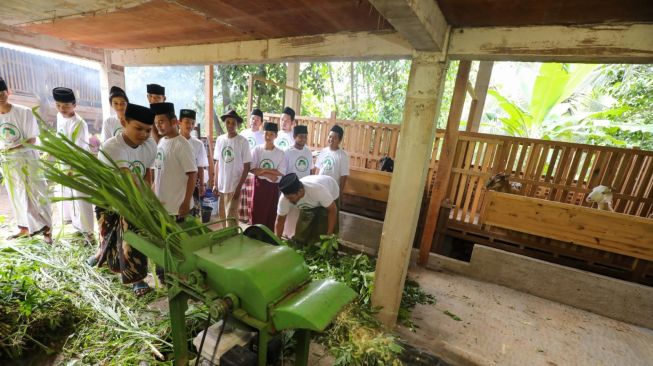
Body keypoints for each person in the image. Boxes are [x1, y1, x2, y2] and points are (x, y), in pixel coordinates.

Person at [94, 103, 157, 296]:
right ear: (123, 122)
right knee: (108, 235)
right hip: (109, 197)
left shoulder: (149, 145)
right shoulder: (112, 146)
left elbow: (146, 173)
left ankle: (136, 278)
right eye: (138, 128)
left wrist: (149, 195)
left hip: (133, 200)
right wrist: (145, 203)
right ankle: (101, 256)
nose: (144, 134)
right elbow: (127, 177)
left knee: (133, 238)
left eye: (148, 130)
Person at [0, 76, 52, 243]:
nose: (0, 96)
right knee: (16, 193)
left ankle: (47, 232)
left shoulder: (24, 111)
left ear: (8, 92)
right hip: (8, 162)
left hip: (28, 160)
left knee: (37, 192)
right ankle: (23, 227)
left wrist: (11, 148)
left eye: (2, 92)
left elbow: (32, 139)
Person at [53, 87, 95, 242]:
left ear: (74, 105)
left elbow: (80, 149)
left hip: (78, 165)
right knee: (69, 196)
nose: (61, 109)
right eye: (58, 105)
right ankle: (78, 227)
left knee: (81, 197)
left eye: (65, 106)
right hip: (64, 163)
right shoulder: (59, 116)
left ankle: (89, 233)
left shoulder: (80, 123)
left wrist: (72, 168)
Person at [151, 102, 197, 218]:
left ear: (174, 121)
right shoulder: (161, 142)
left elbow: (192, 174)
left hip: (178, 208)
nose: (158, 126)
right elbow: (159, 172)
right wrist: (151, 193)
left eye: (161, 122)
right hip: (163, 207)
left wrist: (186, 203)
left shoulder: (182, 145)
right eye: (156, 123)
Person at [275, 173, 339, 246]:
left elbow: (332, 210)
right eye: (287, 198)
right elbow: (280, 221)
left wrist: (329, 234)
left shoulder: (318, 191)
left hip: (330, 189)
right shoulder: (285, 198)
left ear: (300, 191)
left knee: (323, 229)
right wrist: (277, 243)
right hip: (312, 197)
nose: (289, 201)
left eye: (291, 198)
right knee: (302, 231)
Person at [211, 109, 251, 228]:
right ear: (225, 123)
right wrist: (215, 183)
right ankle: (225, 236)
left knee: (231, 216)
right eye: (228, 122)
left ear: (237, 125)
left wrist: (238, 187)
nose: (230, 125)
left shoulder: (243, 142)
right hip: (221, 185)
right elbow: (218, 162)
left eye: (233, 123)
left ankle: (233, 238)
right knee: (222, 215)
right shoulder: (220, 140)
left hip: (234, 185)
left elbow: (247, 166)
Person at [250, 122, 286, 229]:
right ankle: (255, 235)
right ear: (263, 134)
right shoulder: (257, 150)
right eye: (266, 134)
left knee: (270, 212)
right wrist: (270, 174)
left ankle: (268, 237)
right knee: (257, 211)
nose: (268, 137)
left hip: (273, 188)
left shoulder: (280, 153)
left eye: (271, 134)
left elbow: (281, 172)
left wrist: (263, 170)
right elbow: (253, 169)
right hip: (258, 186)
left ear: (276, 136)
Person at [282, 124, 313, 237]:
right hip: (289, 189)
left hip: (302, 189)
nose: (303, 139)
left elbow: (310, 170)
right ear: (294, 136)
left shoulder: (308, 152)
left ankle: (296, 236)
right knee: (288, 212)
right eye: (300, 136)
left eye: (305, 136)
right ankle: (285, 235)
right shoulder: (287, 152)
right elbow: (283, 172)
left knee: (300, 213)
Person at [238, 108, 265, 223]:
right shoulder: (243, 133)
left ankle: (251, 217)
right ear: (249, 120)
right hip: (242, 167)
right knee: (242, 193)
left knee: (252, 194)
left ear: (261, 122)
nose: (254, 121)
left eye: (257, 119)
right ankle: (242, 216)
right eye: (253, 118)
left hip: (254, 169)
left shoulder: (263, 136)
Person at [179, 108, 208, 215]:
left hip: (193, 184)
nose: (189, 125)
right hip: (176, 182)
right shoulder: (172, 141)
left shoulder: (198, 144)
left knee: (193, 213)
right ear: (179, 122)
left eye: (192, 123)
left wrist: (201, 186)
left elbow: (200, 166)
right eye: (186, 122)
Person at [315, 124, 349, 197]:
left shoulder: (343, 155)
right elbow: (317, 170)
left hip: (333, 190)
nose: (331, 139)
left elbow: (344, 176)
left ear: (339, 140)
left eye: (334, 138)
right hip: (320, 187)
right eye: (330, 136)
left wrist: (340, 192)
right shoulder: (323, 151)